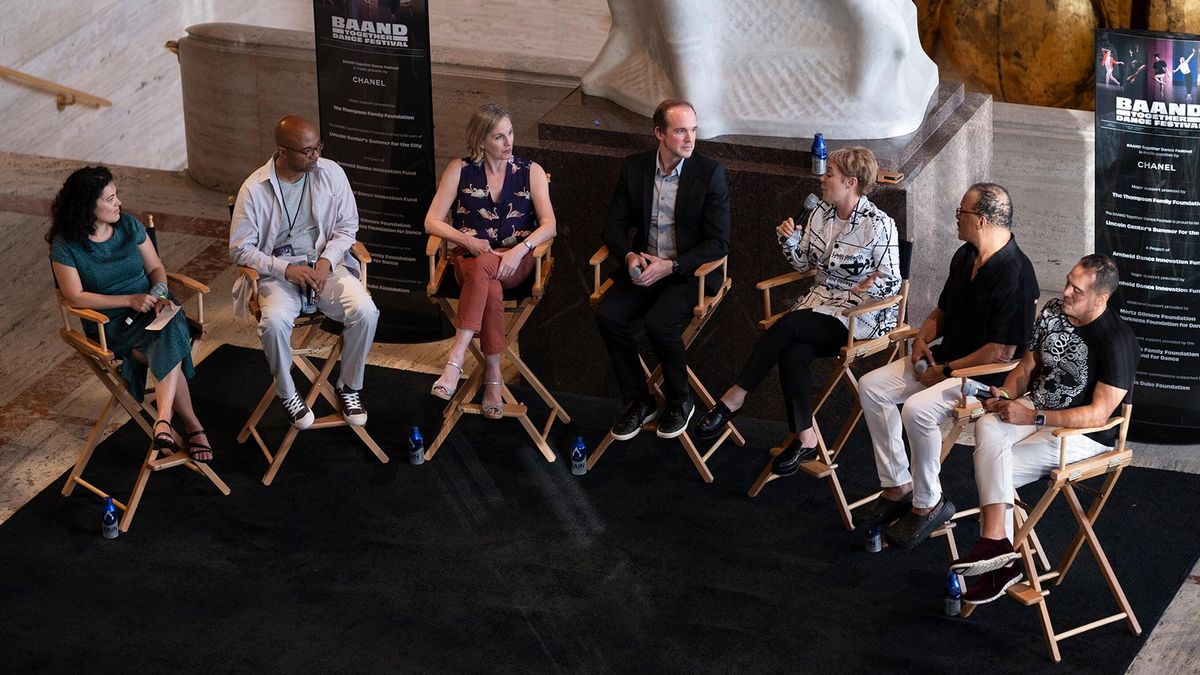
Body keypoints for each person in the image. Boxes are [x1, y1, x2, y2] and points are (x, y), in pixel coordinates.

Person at [853, 183, 1039, 550]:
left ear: (981, 220)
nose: (956, 216)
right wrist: (922, 339)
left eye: (962, 211)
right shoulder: (965, 255)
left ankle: (929, 502)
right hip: (946, 359)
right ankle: (897, 485)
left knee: (919, 410)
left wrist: (945, 371)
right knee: (872, 387)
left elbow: (1000, 352)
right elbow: (943, 310)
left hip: (984, 378)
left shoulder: (1017, 275)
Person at [695, 146, 901, 476]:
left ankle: (734, 397)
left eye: (829, 173)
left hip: (858, 316)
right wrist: (790, 241)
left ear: (850, 182)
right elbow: (805, 264)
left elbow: (892, 284)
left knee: (788, 326)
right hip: (819, 303)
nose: (822, 178)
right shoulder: (820, 212)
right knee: (792, 354)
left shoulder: (879, 226)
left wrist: (868, 288)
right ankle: (805, 437)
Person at [951, 255, 1136, 604]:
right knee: (989, 425)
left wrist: (1031, 419)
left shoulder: (1117, 341)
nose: (1065, 292)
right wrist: (1006, 394)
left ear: (1101, 299)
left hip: (1085, 437)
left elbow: (1098, 414)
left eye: (1076, 290)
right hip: (1039, 406)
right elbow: (1025, 368)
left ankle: (998, 562)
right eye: (1067, 282)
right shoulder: (1052, 311)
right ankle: (997, 546)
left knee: (993, 467)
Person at [49, 166, 213, 462]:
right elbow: (75, 296)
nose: (118, 204)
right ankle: (191, 425)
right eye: (110, 199)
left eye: (117, 196)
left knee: (171, 321)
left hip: (153, 307)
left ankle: (163, 419)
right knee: (171, 341)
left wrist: (160, 295)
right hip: (111, 323)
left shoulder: (129, 226)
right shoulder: (66, 245)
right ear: (88, 206)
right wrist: (128, 299)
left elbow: (156, 268)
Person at [230, 115, 379, 430]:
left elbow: (347, 226)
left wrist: (327, 260)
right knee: (272, 324)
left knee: (366, 311)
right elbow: (240, 250)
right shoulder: (254, 189)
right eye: (307, 151)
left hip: (326, 266)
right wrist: (286, 270)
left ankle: (349, 386)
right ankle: (288, 393)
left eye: (317, 147)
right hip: (277, 274)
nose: (315, 155)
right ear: (283, 151)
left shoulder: (330, 173)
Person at [595, 99, 731, 440]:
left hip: (689, 273)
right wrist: (628, 256)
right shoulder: (635, 168)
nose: (690, 139)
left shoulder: (709, 173)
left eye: (693, 130)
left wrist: (670, 266)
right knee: (608, 314)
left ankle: (680, 402)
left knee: (659, 323)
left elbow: (719, 243)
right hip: (644, 266)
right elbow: (613, 227)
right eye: (680, 130)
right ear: (659, 133)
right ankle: (640, 402)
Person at [425, 103, 557, 418]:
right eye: (499, 137)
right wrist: (467, 240)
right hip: (470, 259)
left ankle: (455, 360)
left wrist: (520, 249)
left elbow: (549, 224)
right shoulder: (460, 169)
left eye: (510, 133)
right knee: (489, 282)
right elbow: (432, 222)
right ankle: (494, 377)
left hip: (516, 260)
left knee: (490, 269)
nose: (508, 142)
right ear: (481, 140)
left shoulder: (530, 171)